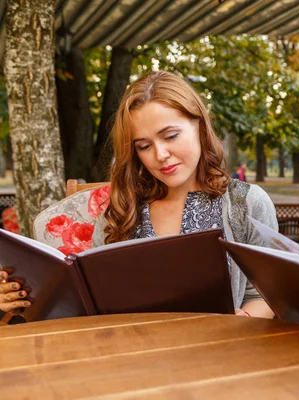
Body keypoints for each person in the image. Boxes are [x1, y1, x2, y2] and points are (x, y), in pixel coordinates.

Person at [0, 71, 276, 319]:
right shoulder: (121, 210)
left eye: (170, 136)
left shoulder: (246, 203)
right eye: (144, 146)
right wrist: (22, 299)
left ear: (200, 125)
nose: (160, 155)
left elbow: (267, 295)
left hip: (219, 357)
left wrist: (244, 320)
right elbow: (92, 303)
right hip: (131, 357)